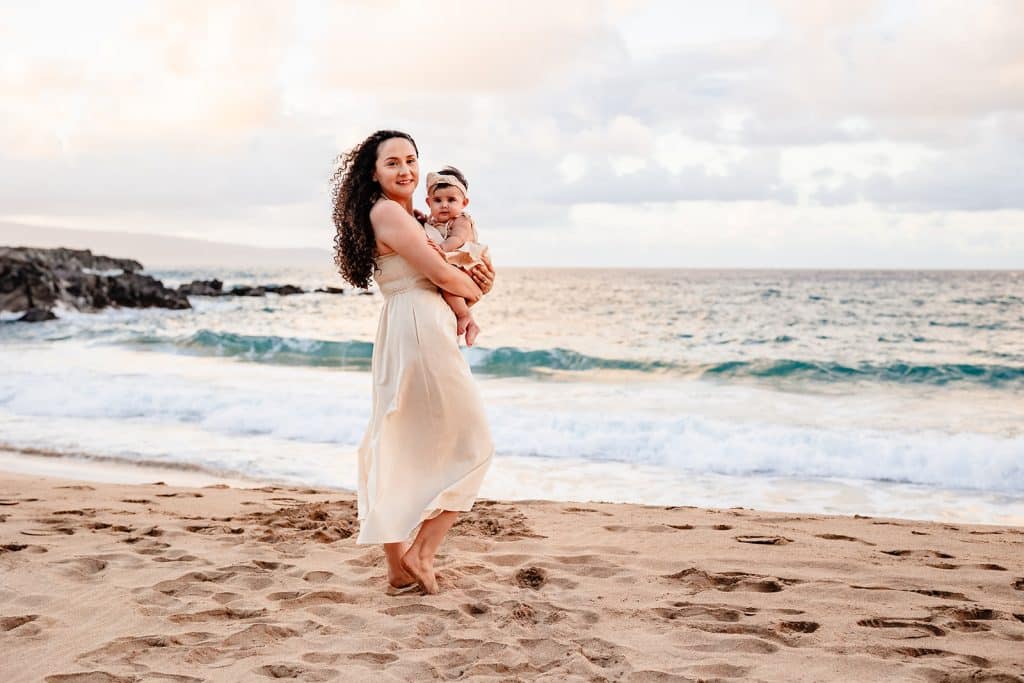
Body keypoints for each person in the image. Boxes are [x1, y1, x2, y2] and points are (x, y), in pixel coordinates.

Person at [330, 130, 496, 595]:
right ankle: (421, 552)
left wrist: (467, 291)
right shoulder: (387, 212)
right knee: (474, 443)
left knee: (400, 441)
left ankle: (399, 570)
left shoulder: (413, 217)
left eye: (411, 160)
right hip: (419, 328)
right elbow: (441, 272)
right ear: (373, 173)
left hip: (410, 326)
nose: (405, 170)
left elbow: (447, 272)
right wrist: (481, 288)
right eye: (392, 163)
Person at [422, 166, 489, 347]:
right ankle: (467, 321)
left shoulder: (461, 220)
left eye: (451, 200)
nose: (444, 205)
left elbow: (457, 239)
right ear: (429, 203)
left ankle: (464, 315)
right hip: (452, 261)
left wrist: (442, 248)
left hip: (463, 261)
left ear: (464, 203)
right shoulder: (434, 221)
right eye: (438, 200)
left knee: (448, 285)